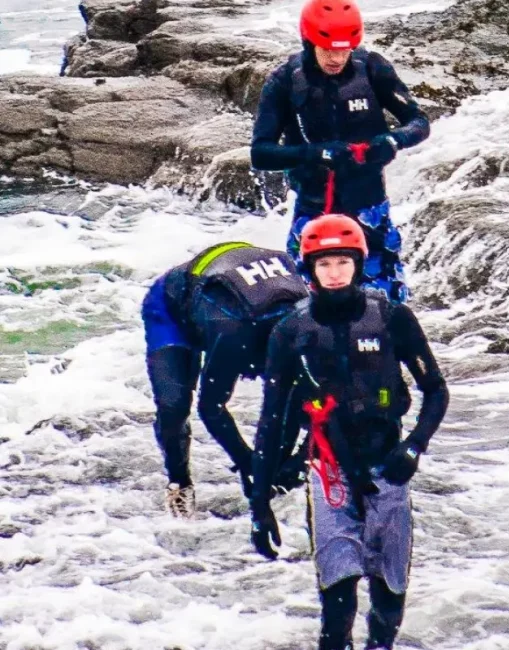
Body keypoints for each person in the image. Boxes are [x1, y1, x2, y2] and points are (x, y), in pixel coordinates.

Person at [249, 215, 449, 650]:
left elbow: (436, 391)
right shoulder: (291, 332)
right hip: (328, 474)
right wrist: (259, 502)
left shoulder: (392, 318)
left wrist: (414, 448)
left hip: (389, 470)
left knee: (388, 598)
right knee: (337, 606)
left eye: (343, 262)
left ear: (358, 263)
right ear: (310, 269)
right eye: (324, 264)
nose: (334, 273)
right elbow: (271, 421)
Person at [250, 0, 430, 304]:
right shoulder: (284, 81)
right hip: (313, 211)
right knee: (305, 310)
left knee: (387, 307)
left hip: (369, 209)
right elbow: (261, 153)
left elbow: (419, 122)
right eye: (328, 50)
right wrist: (316, 154)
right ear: (309, 42)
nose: (337, 58)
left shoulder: (372, 68)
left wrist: (392, 141)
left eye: (344, 50)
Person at [141, 242, 310, 518]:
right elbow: (211, 408)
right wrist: (246, 462)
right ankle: (179, 483)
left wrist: (300, 461)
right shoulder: (234, 335)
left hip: (236, 301)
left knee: (302, 395)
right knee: (174, 405)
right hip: (173, 308)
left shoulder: (312, 326)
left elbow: (331, 398)